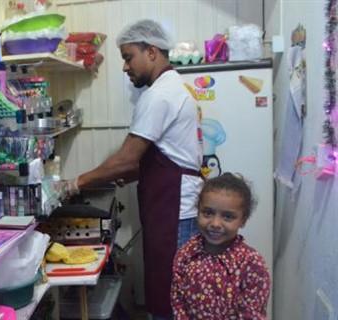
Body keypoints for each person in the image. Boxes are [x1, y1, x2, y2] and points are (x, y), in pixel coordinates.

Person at [62, 19, 203, 319]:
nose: (125, 67)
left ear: (151, 51)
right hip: (171, 204)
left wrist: (76, 182)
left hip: (175, 208)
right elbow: (157, 159)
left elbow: (127, 159)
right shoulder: (171, 88)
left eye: (128, 57)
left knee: (171, 295)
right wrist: (119, 175)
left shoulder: (160, 95)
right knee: (168, 288)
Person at [171, 173, 270, 319]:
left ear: (243, 220)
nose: (215, 224)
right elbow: (178, 300)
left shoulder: (252, 264)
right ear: (198, 212)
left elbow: (251, 314)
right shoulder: (186, 253)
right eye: (208, 213)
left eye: (228, 216)